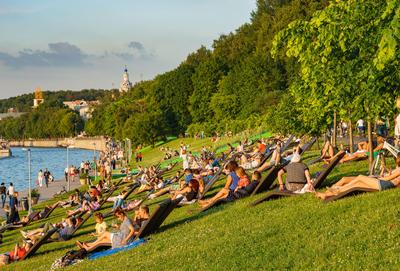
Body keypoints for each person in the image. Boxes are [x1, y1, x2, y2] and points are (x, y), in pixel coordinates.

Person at [316, 158, 400, 201]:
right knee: (357, 184)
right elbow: (390, 176)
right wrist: (384, 171)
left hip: (385, 184)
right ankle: (327, 194)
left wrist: (377, 177)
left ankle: (338, 190)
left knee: (360, 177)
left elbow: (388, 179)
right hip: (384, 182)